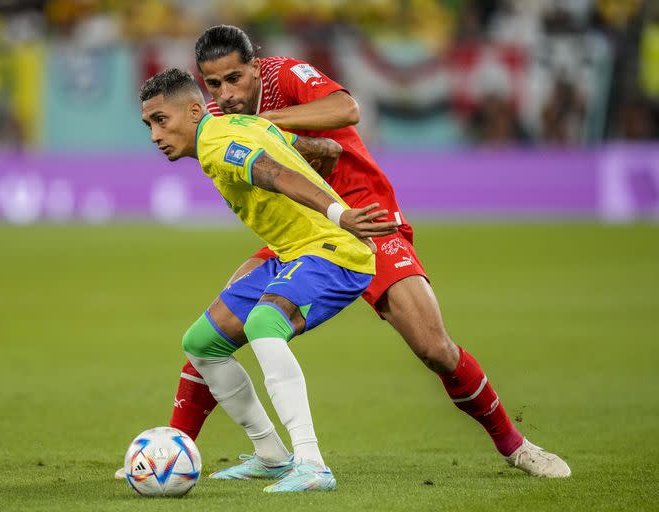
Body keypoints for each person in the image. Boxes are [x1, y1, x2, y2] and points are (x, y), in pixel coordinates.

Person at [164, 25, 571, 479]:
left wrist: (269, 124)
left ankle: (515, 446)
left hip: (366, 219)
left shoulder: (285, 77)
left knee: (434, 348)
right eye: (214, 84)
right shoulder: (220, 120)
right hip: (305, 233)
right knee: (218, 323)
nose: (226, 93)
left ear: (254, 68)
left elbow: (347, 108)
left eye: (234, 78)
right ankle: (171, 452)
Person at [136, 67, 398, 492]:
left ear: (195, 110)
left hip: (333, 249)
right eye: (148, 124)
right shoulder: (241, 124)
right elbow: (321, 149)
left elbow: (277, 174)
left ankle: (312, 465)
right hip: (295, 252)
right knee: (202, 343)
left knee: (263, 324)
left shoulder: (219, 147)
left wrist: (340, 214)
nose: (154, 135)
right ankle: (272, 455)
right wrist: (322, 161)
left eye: (161, 121)